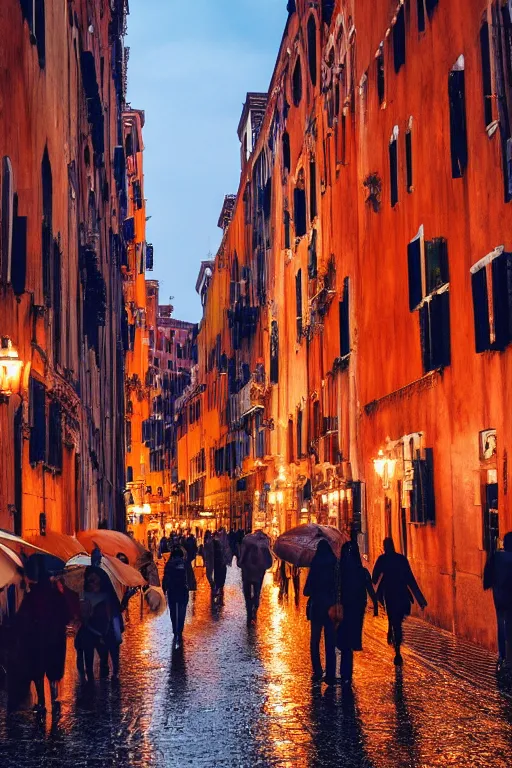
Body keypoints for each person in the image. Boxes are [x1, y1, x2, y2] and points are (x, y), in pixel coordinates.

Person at [14, 562, 71, 714]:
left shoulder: (31, 596)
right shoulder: (57, 596)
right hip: (55, 639)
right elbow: (67, 616)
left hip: (36, 639)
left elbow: (22, 618)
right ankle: (53, 700)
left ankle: (41, 702)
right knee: (53, 672)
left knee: (37, 671)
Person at [372, 538, 427, 666]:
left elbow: (374, 578)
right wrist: (420, 600)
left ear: (384, 547)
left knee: (394, 619)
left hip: (389, 594)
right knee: (398, 622)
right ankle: (397, 649)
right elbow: (410, 579)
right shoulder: (401, 559)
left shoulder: (382, 559)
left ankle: (394, 641)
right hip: (401, 594)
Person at [337, 541, 378, 684]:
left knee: (344, 641)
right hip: (357, 610)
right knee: (350, 640)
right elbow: (370, 588)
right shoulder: (361, 572)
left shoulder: (341, 571)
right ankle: (346, 673)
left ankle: (344, 672)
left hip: (346, 609)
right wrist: (376, 604)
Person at [303, 540, 338, 685]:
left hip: (316, 607)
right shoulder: (334, 565)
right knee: (330, 642)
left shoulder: (315, 565)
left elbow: (306, 591)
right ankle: (330, 673)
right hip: (330, 608)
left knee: (315, 641)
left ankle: (317, 670)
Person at [75, 567, 115, 683]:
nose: (92, 583)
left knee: (102, 657)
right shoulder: (84, 595)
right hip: (92, 630)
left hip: (99, 629)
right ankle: (91, 679)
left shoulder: (103, 595)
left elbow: (108, 614)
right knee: (89, 655)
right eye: (90, 580)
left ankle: (98, 680)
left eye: (94, 580)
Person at [483, 532, 512, 668]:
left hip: (499, 596)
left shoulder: (496, 556)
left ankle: (502, 654)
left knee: (501, 624)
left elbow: (488, 575)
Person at [238, 531, 273, 623]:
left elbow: (240, 562)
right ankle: (254, 609)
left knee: (247, 594)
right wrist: (262, 568)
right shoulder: (264, 546)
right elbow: (269, 562)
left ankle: (249, 613)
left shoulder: (247, 544)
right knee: (257, 593)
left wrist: (244, 565)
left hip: (247, 574)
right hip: (258, 575)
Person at [162, 546, 189, 650]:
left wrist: (164, 589)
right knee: (182, 611)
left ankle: (175, 630)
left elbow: (165, 577)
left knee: (173, 612)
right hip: (183, 590)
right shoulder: (184, 563)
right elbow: (189, 577)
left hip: (172, 590)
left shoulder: (169, 564)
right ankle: (180, 630)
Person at [213, 532, 228, 602]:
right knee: (220, 576)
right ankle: (219, 588)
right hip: (220, 564)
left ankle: (218, 588)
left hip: (219, 564)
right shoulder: (220, 545)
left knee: (218, 576)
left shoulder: (219, 544)